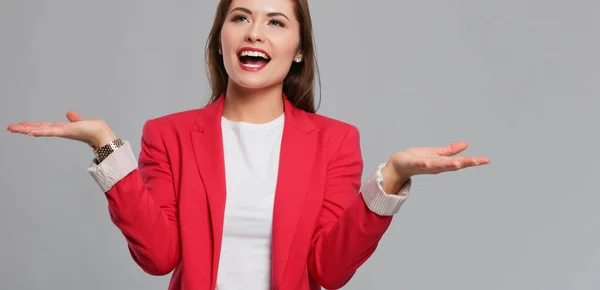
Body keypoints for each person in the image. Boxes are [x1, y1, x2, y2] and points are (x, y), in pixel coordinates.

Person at [7, 0, 490, 289]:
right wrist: (108, 149)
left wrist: (392, 178)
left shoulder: (336, 142)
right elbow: (158, 257)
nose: (255, 31)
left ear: (299, 50)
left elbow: (329, 269)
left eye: (276, 21)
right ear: (221, 37)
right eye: (240, 17)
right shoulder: (168, 134)